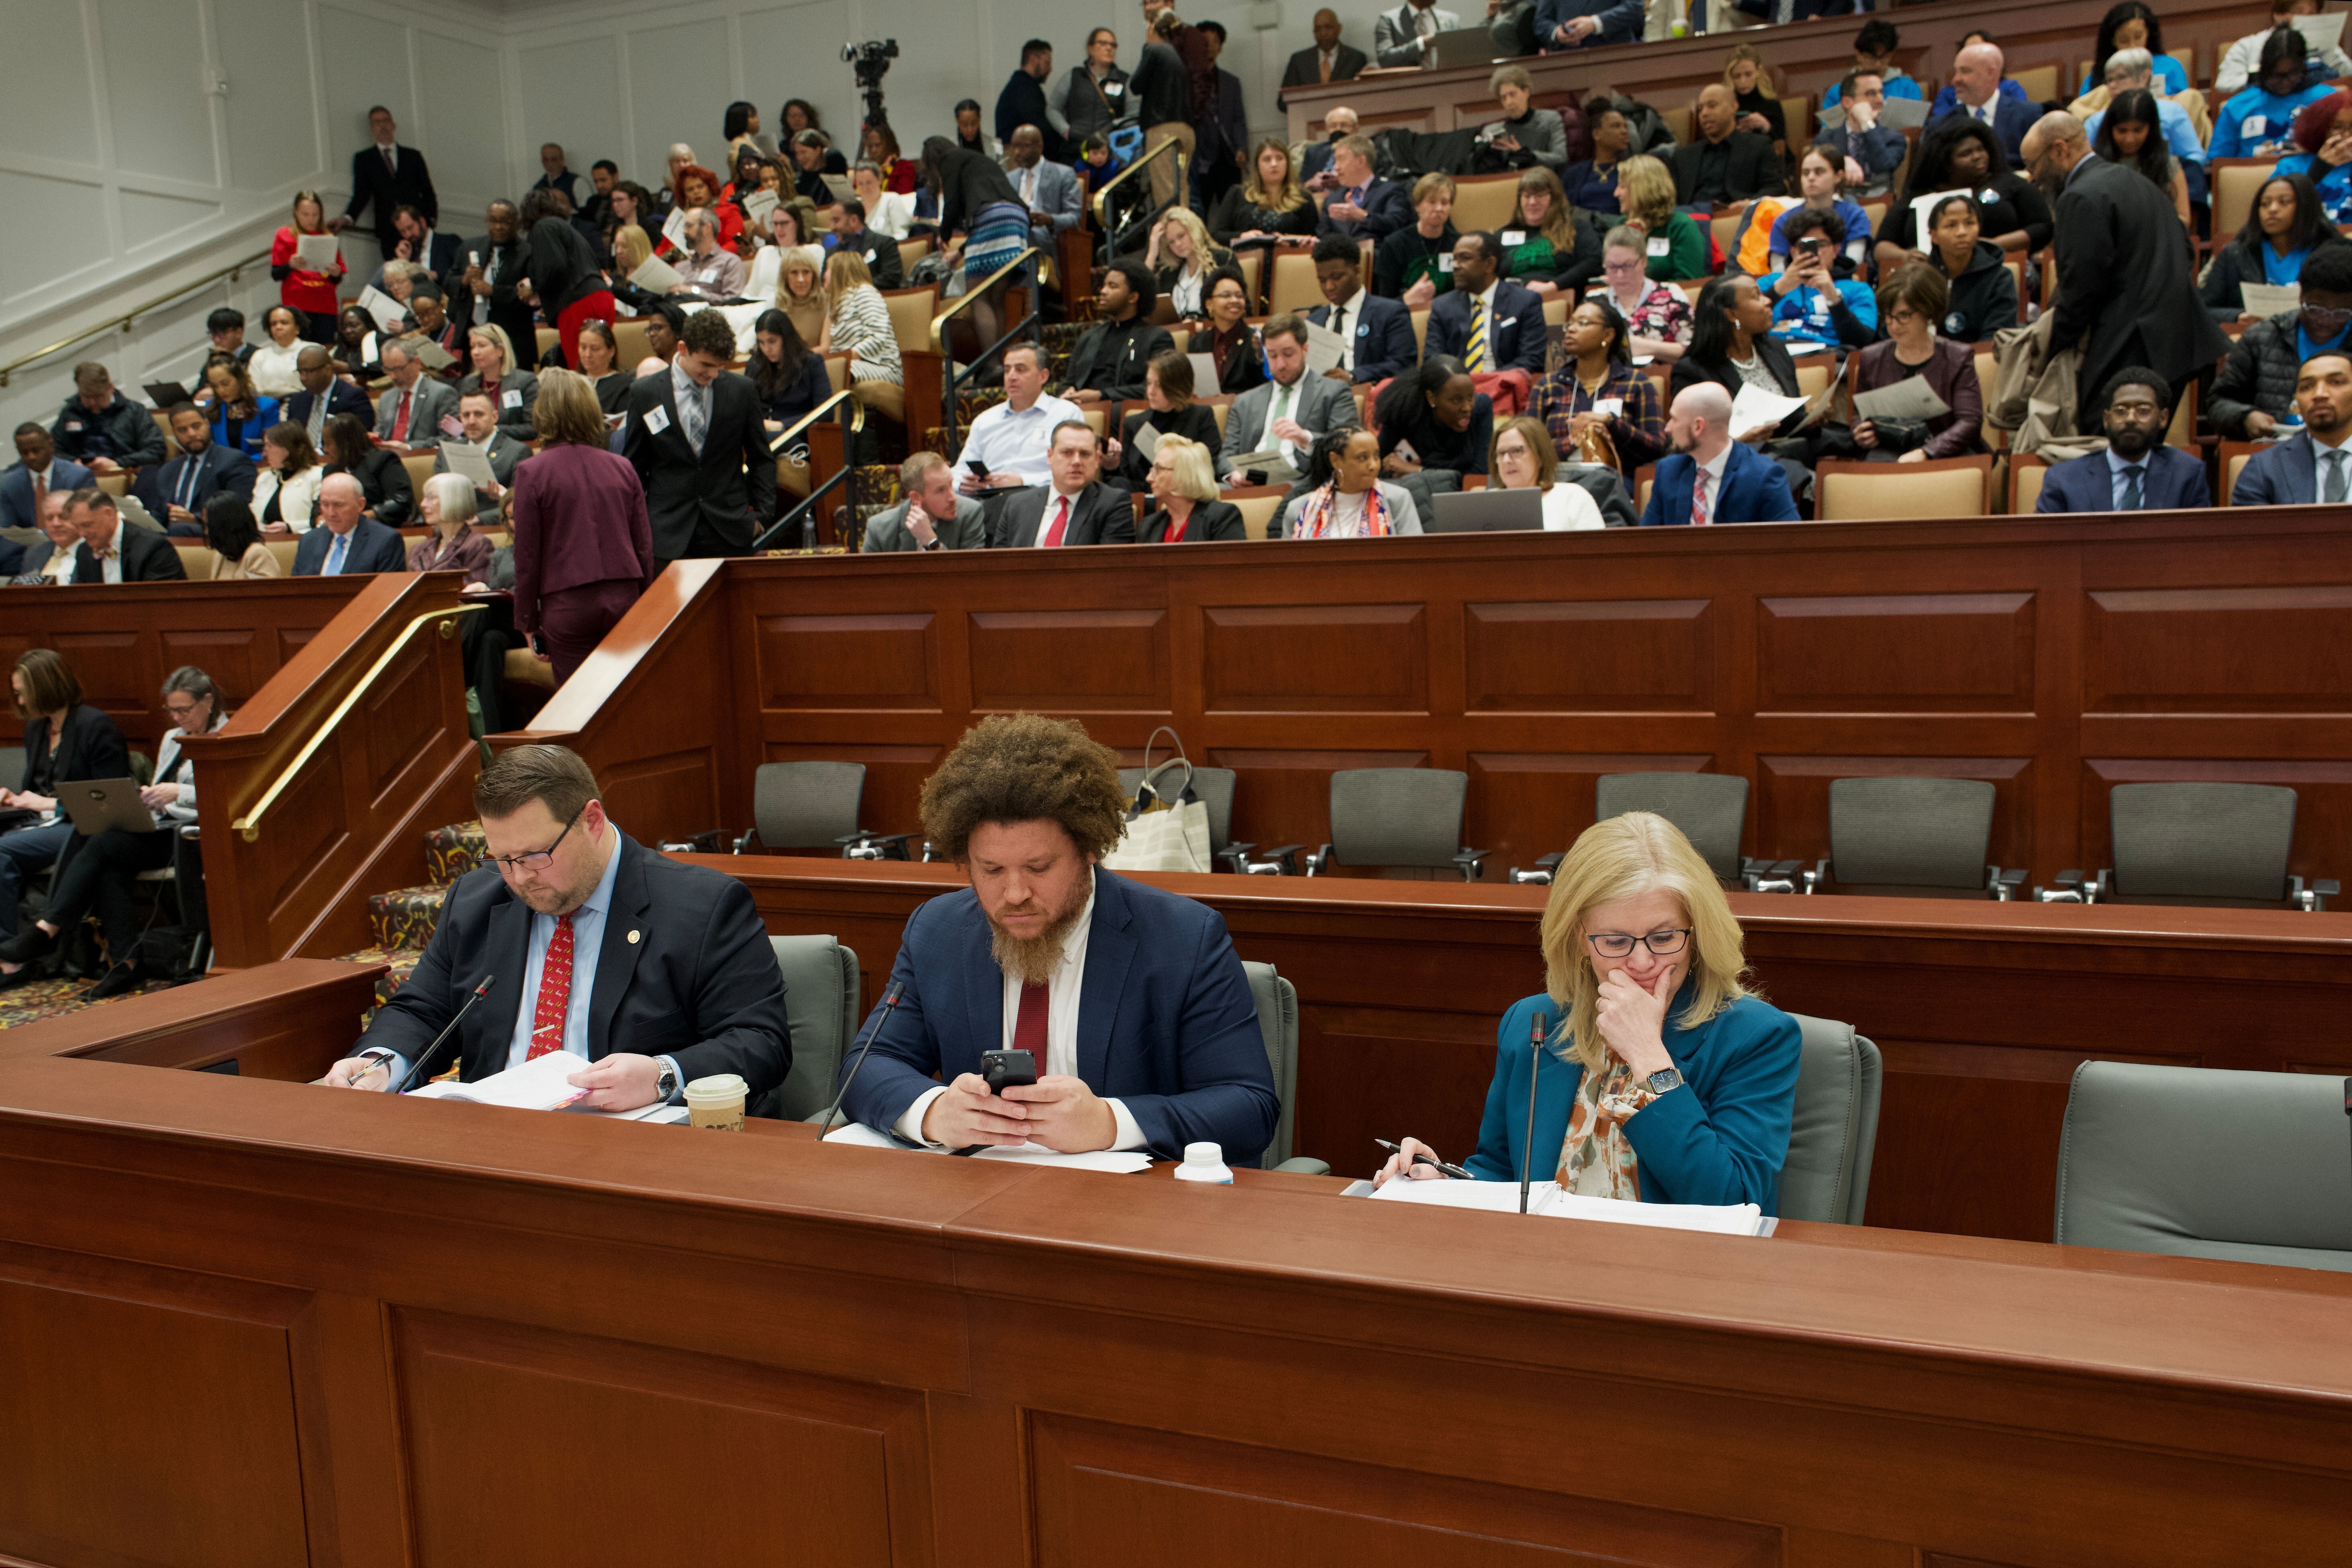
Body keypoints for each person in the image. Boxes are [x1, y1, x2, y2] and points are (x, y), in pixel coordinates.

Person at [834, 713, 1275, 1155]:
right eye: (991, 870)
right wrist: (934, 1110)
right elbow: (867, 1065)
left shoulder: (1184, 938)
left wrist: (1111, 1122)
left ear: (1089, 849)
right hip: (975, 1199)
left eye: (1039, 868)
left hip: (1126, 1206)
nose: (1015, 893)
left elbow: (1248, 1106)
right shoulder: (938, 930)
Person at [323, 745, 790, 1106]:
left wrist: (663, 1073)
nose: (520, 877)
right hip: (494, 1142)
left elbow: (760, 1041)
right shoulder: (477, 900)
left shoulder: (701, 907)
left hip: (631, 1148)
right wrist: (380, 1063)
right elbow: (421, 1010)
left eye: (535, 856)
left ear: (591, 820)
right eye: (503, 858)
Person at [1377, 811, 1800, 1209]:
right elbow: (1502, 1173)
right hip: (1542, 1269)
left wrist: (1649, 1057)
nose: (1640, 962)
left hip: (1677, 1274)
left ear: (1697, 930)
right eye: (1615, 942)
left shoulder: (1754, 1036)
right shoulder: (1532, 1023)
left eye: (1664, 936)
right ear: (1580, 936)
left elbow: (1734, 1200)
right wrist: (1444, 1182)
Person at [0, 666, 220, 995]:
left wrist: (178, 793)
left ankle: (50, 928)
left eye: (184, 710)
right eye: (171, 710)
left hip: (191, 834)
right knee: (106, 860)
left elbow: (226, 797)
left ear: (208, 701)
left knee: (100, 841)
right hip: (158, 825)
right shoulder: (171, 738)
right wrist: (149, 795)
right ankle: (125, 963)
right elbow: (161, 785)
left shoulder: (230, 736)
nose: (177, 718)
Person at [2023, 112, 2231, 433]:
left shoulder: (2079, 197)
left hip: (2128, 347)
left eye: (2033, 164)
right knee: (2143, 459)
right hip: (2176, 344)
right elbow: (2185, 249)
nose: (2032, 177)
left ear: (2060, 150)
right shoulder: (2139, 183)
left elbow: (2082, 291)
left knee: (2103, 454)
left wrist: (2046, 348)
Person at [509, 370, 653, 685]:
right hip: (623, 595)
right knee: (626, 696)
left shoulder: (531, 472)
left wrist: (527, 620)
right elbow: (643, 544)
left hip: (567, 603)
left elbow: (527, 554)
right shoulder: (622, 466)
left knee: (579, 704)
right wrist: (644, 602)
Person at [0, 651, 129, 974]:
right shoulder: (37, 729)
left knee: (1, 851)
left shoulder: (94, 724)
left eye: (21, 692)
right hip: (37, 824)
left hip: (80, 828)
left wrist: (50, 804)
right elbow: (38, 786)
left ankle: (12, 956)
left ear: (43, 687)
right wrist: (13, 799)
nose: (18, 699)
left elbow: (112, 800)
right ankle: (10, 949)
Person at [625, 311, 772, 564]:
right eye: (706, 365)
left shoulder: (742, 390)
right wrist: (641, 525)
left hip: (730, 530)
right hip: (667, 534)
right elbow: (634, 469)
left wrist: (762, 516)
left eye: (720, 367)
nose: (713, 374)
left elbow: (762, 459)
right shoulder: (645, 393)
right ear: (683, 349)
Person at [1875, 119, 2053, 277]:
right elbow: (1881, 246)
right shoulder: (1918, 196)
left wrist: (1994, 245)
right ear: (1944, 163)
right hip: (1927, 279)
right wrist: (1905, 257)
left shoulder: (2008, 183)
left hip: (1999, 272)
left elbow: (2042, 227)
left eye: (1981, 149)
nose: (1978, 156)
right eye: (1966, 154)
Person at [2213, 245, 2352, 437]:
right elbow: (2217, 403)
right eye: (2316, 309)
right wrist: (2245, 417)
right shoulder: (2263, 337)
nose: (2325, 320)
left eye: (2341, 313)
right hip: (2274, 448)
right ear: (2300, 296)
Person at [1852, 267, 1986, 462]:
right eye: (1889, 317)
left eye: (1904, 316)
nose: (1894, 326)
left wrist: (1926, 452)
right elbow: (1860, 413)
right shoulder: (1871, 357)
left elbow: (1970, 422)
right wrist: (1861, 431)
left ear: (1928, 312)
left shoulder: (1958, 357)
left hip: (1946, 451)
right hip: (1889, 449)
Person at [2035, 368, 2207, 512]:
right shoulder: (2064, 479)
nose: (2131, 418)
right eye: (2120, 410)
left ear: (2163, 418)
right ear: (2106, 419)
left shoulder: (2187, 475)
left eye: (2143, 410)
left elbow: (2201, 546)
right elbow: (2045, 546)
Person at [1534, 295, 1665, 478]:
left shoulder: (1636, 383)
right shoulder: (1548, 386)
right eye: (1570, 324)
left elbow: (1656, 448)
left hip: (1613, 481)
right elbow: (1530, 448)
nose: (1571, 329)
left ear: (1608, 335)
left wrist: (1612, 423)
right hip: (1558, 482)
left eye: (1583, 323)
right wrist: (1573, 441)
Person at [1221, 314, 1352, 485]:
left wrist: (1305, 439)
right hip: (1250, 483)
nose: (1280, 364)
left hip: (1303, 483)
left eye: (1288, 354)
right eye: (1273, 356)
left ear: (1305, 349)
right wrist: (1233, 475)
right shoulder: (1245, 401)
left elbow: (1346, 446)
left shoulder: (1333, 392)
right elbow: (1226, 455)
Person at [1641, 385, 1799, 526]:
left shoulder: (1764, 476)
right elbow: (1646, 542)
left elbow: (1789, 545)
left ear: (1698, 426)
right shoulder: (1668, 471)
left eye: (1674, 419)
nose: (1668, 429)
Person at [953, 342, 1084, 495]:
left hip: (1040, 497)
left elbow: (1074, 470)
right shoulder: (985, 420)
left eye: (1020, 370)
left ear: (1043, 376)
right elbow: (960, 469)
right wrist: (962, 484)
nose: (1012, 377)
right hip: (988, 499)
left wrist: (1023, 481)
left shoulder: (1065, 414)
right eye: (1007, 370)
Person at [2209, 175, 2340, 327]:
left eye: (2284, 202)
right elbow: (2203, 310)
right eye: (2265, 204)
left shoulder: (2333, 254)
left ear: (2306, 207)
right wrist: (2237, 316)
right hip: (2253, 339)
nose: (2272, 210)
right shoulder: (2236, 254)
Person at [2231, 351, 2352, 504]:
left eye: (2336, 382)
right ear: (2296, 402)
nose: (2319, 394)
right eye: (2306, 387)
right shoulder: (2265, 469)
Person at [1671, 275, 1800, 416]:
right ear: (1731, 315)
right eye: (1756, 297)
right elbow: (1691, 431)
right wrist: (1740, 438)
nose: (1768, 301)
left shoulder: (1775, 349)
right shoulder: (1692, 373)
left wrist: (1812, 422)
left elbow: (1797, 415)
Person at [992, 421, 1135, 547]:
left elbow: (1111, 570)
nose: (1077, 461)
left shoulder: (1113, 504)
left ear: (1097, 459)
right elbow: (999, 566)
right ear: (1050, 456)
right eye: (1067, 453)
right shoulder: (1017, 504)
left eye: (1085, 454)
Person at [1423, 234, 1545, 375]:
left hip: (1504, 385)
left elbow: (1531, 359)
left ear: (1490, 264)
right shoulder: (1443, 306)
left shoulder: (1525, 301)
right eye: (1454, 259)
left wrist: (1489, 381)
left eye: (1465, 258)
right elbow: (1433, 360)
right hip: (1457, 389)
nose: (1455, 266)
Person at [922, 136, 1029, 296]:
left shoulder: (948, 160)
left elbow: (952, 203)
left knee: (979, 297)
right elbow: (981, 231)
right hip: (1018, 218)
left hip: (992, 217)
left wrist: (944, 235)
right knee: (997, 298)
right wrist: (959, 254)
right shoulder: (978, 160)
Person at [518, 188, 611, 371]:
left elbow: (554, 267)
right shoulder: (568, 230)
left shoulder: (543, 228)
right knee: (598, 368)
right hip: (602, 297)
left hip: (579, 304)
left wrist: (533, 287)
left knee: (580, 371)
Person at [1758, 210, 1876, 351]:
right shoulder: (1770, 283)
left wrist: (1833, 298)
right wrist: (1779, 289)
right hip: (1775, 354)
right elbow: (1741, 325)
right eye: (1806, 246)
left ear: (1836, 249)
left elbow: (1862, 342)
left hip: (1828, 356)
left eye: (1822, 244)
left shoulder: (1858, 289)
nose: (1816, 253)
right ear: (1793, 251)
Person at [1305, 236, 1415, 385]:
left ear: (1357, 270)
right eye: (1322, 280)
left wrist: (1353, 376)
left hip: (1368, 394)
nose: (1329, 287)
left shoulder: (1390, 313)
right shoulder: (1313, 322)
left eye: (1337, 277)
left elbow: (1403, 364)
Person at [133, 403, 255, 536]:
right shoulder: (169, 469)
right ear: (174, 433)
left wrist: (196, 518)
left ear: (207, 424)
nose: (191, 434)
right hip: (171, 538)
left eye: (196, 426)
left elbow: (239, 509)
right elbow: (159, 513)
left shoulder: (233, 461)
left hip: (214, 534)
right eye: (182, 430)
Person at [334, 106, 437, 260]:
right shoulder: (365, 159)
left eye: (386, 121)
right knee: (396, 275)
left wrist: (430, 220)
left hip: (417, 227)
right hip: (388, 230)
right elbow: (361, 194)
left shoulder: (412, 156)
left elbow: (427, 190)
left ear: (393, 125)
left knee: (423, 267)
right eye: (377, 122)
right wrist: (348, 218)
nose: (382, 126)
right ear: (371, 129)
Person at [1063, 263, 1173, 406]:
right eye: (1104, 285)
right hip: (1080, 408)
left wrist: (1101, 396)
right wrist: (1068, 392)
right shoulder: (1089, 337)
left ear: (1132, 297)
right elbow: (1068, 383)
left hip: (1122, 410)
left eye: (1112, 286)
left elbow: (1154, 388)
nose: (1103, 291)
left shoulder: (1157, 338)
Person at [2212, 30, 2332, 161]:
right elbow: (2218, 164)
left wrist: (2312, 154)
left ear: (2303, 68)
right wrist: (2254, 162)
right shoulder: (2237, 107)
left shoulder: (2328, 99)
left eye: (2292, 74)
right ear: (2264, 71)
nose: (2285, 82)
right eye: (2277, 75)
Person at [1280, 426, 1422, 537]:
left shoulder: (1397, 499)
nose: (1374, 466)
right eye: (1362, 458)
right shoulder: (1299, 509)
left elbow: (1415, 560)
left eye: (1376, 456)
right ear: (1335, 460)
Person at [1117, 351, 1228, 491]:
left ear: (1179, 388)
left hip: (1184, 494)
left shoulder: (1201, 417)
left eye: (1158, 385)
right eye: (1149, 383)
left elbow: (1208, 467)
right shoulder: (1133, 423)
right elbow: (1125, 474)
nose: (1151, 391)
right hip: (1142, 496)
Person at [1919, 195, 2020, 343]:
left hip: (1981, 361)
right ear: (1933, 236)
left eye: (1969, 223)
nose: (1962, 232)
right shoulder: (1921, 278)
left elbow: (1997, 337)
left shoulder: (2000, 278)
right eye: (1951, 225)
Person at [1375, 356, 1494, 481]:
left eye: (1470, 398)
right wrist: (1396, 474)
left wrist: (1417, 471)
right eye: (1456, 400)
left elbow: (1478, 477)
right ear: (1431, 398)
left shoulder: (1481, 409)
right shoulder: (1404, 413)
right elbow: (1379, 468)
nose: (1467, 408)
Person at [453, 201, 537, 367]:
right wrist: (464, 280)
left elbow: (531, 297)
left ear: (516, 223)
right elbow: (448, 283)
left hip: (513, 339)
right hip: (473, 337)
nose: (498, 227)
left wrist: (493, 291)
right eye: (493, 221)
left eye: (504, 221)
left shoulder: (528, 252)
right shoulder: (470, 246)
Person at [1670, 87, 1786, 208]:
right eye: (1701, 109)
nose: (1704, 113)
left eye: (1712, 106)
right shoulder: (1683, 156)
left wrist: (1750, 203)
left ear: (1734, 107)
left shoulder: (1758, 146)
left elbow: (1776, 188)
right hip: (1692, 218)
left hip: (1736, 216)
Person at [1592, 226, 1692, 366]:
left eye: (1628, 266)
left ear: (1644, 260)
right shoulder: (1594, 301)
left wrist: (1649, 348)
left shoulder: (1670, 295)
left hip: (1661, 379)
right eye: (1612, 267)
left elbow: (1695, 352)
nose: (1620, 274)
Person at [1497, 168, 1600, 298]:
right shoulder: (1503, 234)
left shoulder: (1576, 228)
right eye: (1527, 196)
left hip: (1559, 298)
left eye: (1540, 196)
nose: (1532, 202)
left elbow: (1594, 261)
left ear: (1555, 198)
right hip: (1511, 302)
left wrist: (1554, 286)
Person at [1929, 41, 2035, 167]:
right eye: (1956, 71)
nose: (1956, 79)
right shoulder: (1941, 125)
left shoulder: (2029, 116)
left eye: (1965, 71)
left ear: (1991, 73)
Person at [49, 362, 167, 476]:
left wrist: (118, 463)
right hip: (81, 474)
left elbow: (156, 450)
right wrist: (73, 462)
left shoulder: (134, 411)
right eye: (86, 396)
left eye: (98, 396)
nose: (92, 402)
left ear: (111, 387)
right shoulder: (70, 413)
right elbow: (53, 449)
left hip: (125, 471)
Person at [1772, 147, 1873, 279]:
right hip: (1794, 288)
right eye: (1805, 173)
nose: (1811, 178)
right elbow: (1777, 274)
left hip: (1841, 283)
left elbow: (1854, 265)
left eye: (1819, 172)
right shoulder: (1783, 220)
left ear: (1839, 176)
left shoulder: (1855, 215)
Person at [1491, 416, 1604, 531]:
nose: (1506, 460)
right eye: (1501, 453)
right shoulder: (1487, 503)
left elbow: (1599, 549)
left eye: (1516, 451)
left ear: (1540, 456)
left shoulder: (1573, 497)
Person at [864, 452, 988, 553]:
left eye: (951, 485)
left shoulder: (970, 513)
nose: (952, 497)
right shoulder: (880, 529)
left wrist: (931, 541)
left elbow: (969, 578)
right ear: (916, 497)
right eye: (941, 490)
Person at [1128, 12, 1192, 212]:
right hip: (1186, 129)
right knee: (1181, 190)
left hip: (1162, 129)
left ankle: (1171, 243)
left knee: (1165, 193)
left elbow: (1136, 85)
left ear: (1152, 28)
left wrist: (1147, 46)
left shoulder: (1153, 50)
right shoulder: (1178, 55)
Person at [1614, 156, 1709, 283]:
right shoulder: (1620, 227)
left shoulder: (1681, 227)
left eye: (1622, 186)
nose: (1616, 193)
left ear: (1642, 188)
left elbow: (1689, 282)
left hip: (1668, 300)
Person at [434, 390, 531, 513]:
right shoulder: (446, 451)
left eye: (479, 414)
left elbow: (521, 504)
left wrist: (502, 498)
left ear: (495, 417)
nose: (471, 421)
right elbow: (436, 495)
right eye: (466, 415)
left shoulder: (517, 452)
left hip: (493, 527)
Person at [824, 250, 903, 399]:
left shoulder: (864, 292)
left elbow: (877, 337)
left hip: (884, 368)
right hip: (855, 364)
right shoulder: (837, 303)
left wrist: (845, 358)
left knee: (832, 370)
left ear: (840, 271)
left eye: (828, 269)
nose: (825, 274)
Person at [1136, 435, 1243, 543]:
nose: (1149, 478)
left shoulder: (1221, 517)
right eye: (1152, 469)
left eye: (1158, 469)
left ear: (1184, 475)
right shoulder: (1149, 525)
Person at [270, 190, 346, 343]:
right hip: (297, 306)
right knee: (299, 352)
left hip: (325, 304)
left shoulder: (328, 237)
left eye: (315, 215)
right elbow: (276, 274)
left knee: (324, 353)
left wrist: (336, 273)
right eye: (305, 214)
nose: (311, 220)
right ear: (296, 213)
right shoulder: (284, 235)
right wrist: (290, 265)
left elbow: (337, 279)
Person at [65, 487, 186, 583]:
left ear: (109, 514)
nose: (81, 534)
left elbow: (159, 604)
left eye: (87, 525)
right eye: (77, 527)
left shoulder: (154, 548)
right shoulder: (84, 551)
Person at [292, 474, 405, 575]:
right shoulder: (309, 541)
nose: (331, 513)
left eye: (338, 505)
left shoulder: (386, 541)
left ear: (360, 505)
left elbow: (388, 592)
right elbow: (296, 590)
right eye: (325, 505)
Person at [1372, 174, 1458, 303]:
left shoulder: (1458, 245)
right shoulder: (1395, 245)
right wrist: (1407, 299)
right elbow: (1384, 304)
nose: (1439, 208)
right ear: (1417, 206)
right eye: (1432, 202)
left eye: (1445, 203)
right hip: (1404, 316)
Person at [2273, 90, 2352, 225]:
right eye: (2338, 127)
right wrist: (2319, 169)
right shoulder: (2290, 167)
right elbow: (2277, 214)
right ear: (2320, 130)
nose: (2347, 135)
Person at [319, 413, 413, 525]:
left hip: (379, 530)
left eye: (328, 444)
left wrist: (356, 519)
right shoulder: (330, 471)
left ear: (345, 443)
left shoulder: (383, 461)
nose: (325, 449)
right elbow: (317, 508)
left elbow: (401, 503)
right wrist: (320, 520)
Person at [1315, 135, 1410, 244]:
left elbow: (1397, 225)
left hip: (1376, 256)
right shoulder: (1332, 199)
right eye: (1335, 161)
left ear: (1361, 161)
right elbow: (1323, 235)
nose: (1336, 167)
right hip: (1339, 257)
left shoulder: (1391, 191)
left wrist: (1363, 216)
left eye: (1341, 159)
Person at [748, 309, 829, 436]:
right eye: (761, 343)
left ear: (786, 338)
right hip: (760, 432)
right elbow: (748, 406)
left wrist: (782, 425)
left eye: (772, 341)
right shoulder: (755, 364)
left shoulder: (811, 363)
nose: (767, 349)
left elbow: (825, 413)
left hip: (796, 434)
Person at [1145, 207, 1232, 320]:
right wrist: (1152, 254)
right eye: (1171, 242)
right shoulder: (1169, 272)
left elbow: (1236, 307)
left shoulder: (1222, 259)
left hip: (1209, 330)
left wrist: (1200, 325)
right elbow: (1141, 295)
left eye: (1181, 236)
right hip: (1176, 333)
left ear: (1194, 230)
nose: (1178, 244)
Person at [373, 337, 457, 454]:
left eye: (398, 369)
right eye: (388, 370)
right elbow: (381, 433)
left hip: (420, 458)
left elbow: (449, 438)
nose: (393, 376)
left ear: (417, 362)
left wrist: (409, 447)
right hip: (387, 460)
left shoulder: (442, 394)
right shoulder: (386, 397)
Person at [283, 344, 373, 452]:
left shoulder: (353, 397)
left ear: (327, 369)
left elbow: (358, 440)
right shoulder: (297, 401)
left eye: (309, 372)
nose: (303, 378)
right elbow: (291, 440)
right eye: (300, 372)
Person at [1, 425, 89, 535]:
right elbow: (7, 531)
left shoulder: (80, 477)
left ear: (51, 445)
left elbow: (87, 522)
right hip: (28, 550)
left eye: (36, 451)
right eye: (25, 453)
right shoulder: (10, 485)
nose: (31, 457)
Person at [1192, 267, 1265, 398]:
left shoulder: (1256, 340)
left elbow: (1265, 387)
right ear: (1209, 304)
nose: (1234, 300)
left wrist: (1234, 399)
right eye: (1226, 295)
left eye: (1239, 296)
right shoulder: (1197, 343)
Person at [459, 326, 539, 444]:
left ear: (500, 351)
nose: (475, 352)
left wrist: (493, 430)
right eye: (472, 347)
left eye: (482, 346)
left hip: (512, 450)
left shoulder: (525, 381)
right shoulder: (469, 383)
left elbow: (533, 428)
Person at [1482, 65, 1569, 174]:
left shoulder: (1550, 120)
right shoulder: (1493, 131)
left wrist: (1529, 156)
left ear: (1526, 93)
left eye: (1513, 95)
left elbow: (1561, 158)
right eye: (1504, 98)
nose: (1509, 102)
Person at [408, 472, 493, 583]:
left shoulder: (478, 545)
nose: (423, 504)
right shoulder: (418, 549)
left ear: (454, 500)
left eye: (432, 498)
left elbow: (473, 592)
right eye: (425, 498)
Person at [1056, 27, 1132, 148]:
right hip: (1075, 148)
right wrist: (1066, 131)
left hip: (1109, 150)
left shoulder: (1125, 80)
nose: (1109, 48)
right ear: (1090, 49)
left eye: (1113, 45)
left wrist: (1115, 131)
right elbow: (1052, 108)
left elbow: (1132, 117)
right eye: (1103, 44)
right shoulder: (1074, 76)